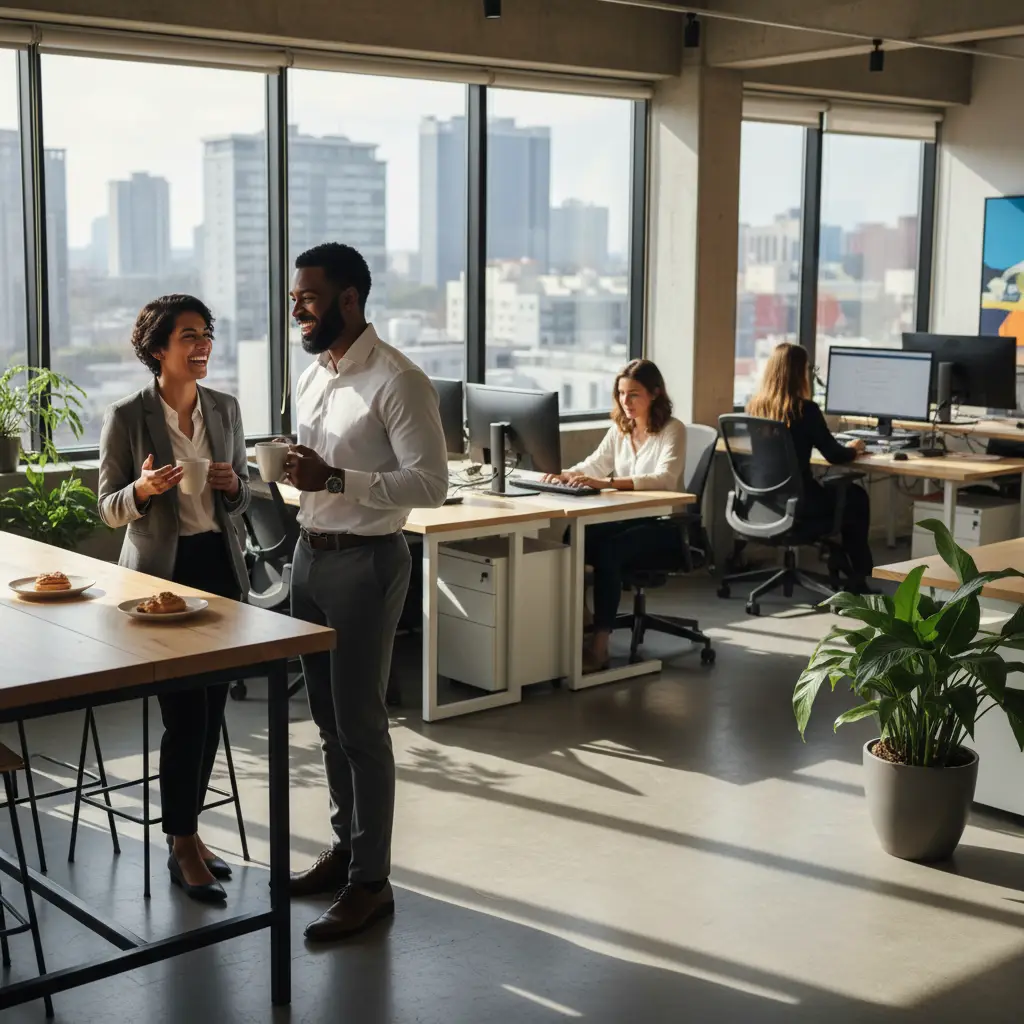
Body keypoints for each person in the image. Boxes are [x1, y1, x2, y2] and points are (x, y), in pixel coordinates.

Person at [283, 243, 448, 942]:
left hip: (367, 561)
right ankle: (348, 850)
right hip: (309, 555)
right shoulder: (315, 372)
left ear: (350, 300)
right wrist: (297, 474)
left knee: (361, 726)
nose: (297, 308)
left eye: (309, 298)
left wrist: (335, 481)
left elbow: (431, 484)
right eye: (295, 297)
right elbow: (315, 467)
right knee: (325, 721)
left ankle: (372, 884)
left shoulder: (399, 380)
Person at [97, 294, 251, 904]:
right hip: (160, 580)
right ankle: (182, 844)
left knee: (212, 712)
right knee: (183, 715)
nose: (202, 344)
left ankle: (190, 834)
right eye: (189, 334)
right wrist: (141, 488)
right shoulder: (128, 416)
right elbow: (108, 510)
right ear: (157, 348)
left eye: (207, 333)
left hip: (219, 571)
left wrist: (236, 484)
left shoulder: (226, 409)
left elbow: (241, 502)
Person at [544, 359, 688, 673]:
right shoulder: (620, 429)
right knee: (575, 537)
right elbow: (594, 465)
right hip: (630, 519)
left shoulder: (672, 430)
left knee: (609, 552)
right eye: (621, 394)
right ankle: (582, 622)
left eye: (634, 394)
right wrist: (565, 475)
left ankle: (600, 643)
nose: (626, 401)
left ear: (655, 394)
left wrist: (608, 483)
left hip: (664, 524)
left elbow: (664, 478)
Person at [746, 341, 873, 590]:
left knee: (846, 496)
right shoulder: (806, 409)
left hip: (764, 502)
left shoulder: (755, 407)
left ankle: (842, 562)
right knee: (856, 497)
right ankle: (857, 576)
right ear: (799, 373)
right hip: (801, 504)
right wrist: (855, 448)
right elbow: (834, 455)